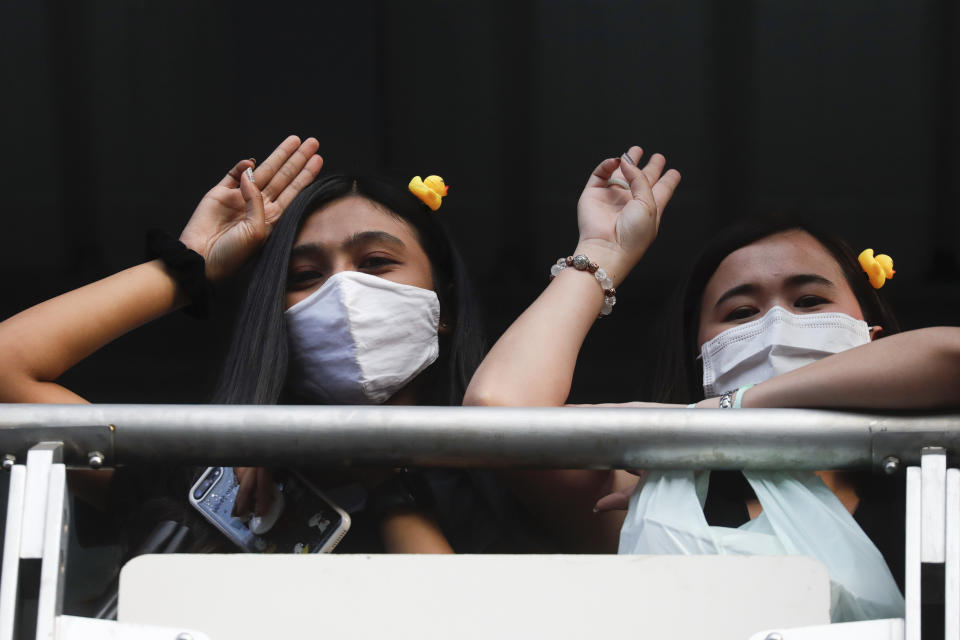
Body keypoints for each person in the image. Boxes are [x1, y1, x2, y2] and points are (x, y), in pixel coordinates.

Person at [464, 145, 960, 619]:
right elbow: (500, 409)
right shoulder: (660, 499)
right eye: (741, 312)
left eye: (809, 302)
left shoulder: (937, 475)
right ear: (703, 362)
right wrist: (602, 251)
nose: (775, 325)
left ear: (872, 337)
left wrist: (722, 412)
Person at [0, 134, 500, 555]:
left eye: (374, 263)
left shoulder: (509, 478)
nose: (343, 293)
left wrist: (384, 482)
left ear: (445, 309)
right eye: (305, 275)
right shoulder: (209, 483)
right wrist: (191, 266)